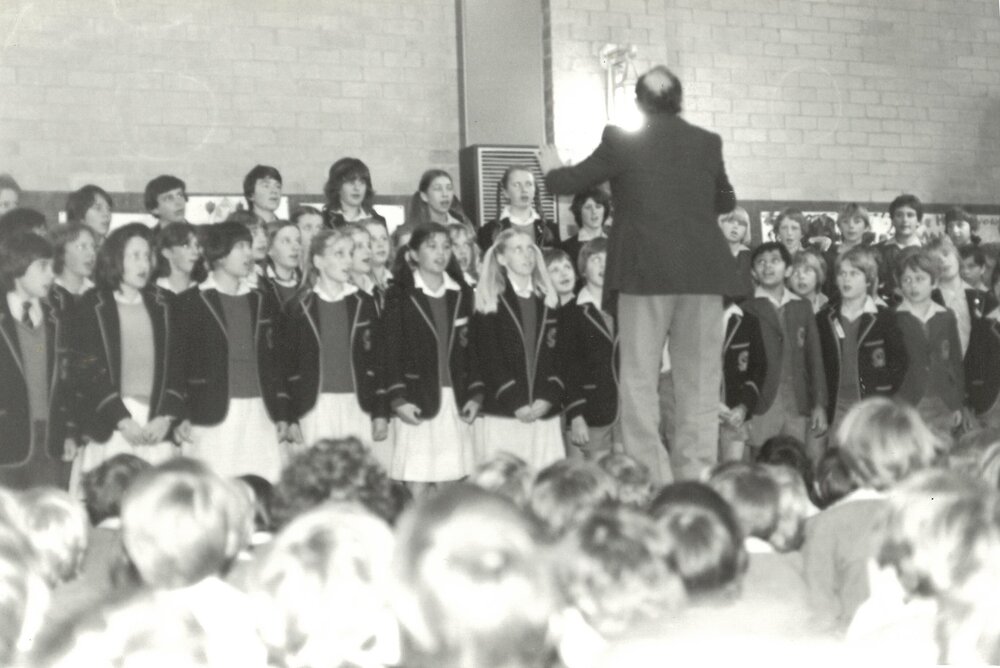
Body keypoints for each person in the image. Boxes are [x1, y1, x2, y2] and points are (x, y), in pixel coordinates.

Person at [540, 65, 739, 485]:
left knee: (638, 383)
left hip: (643, 274)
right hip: (703, 276)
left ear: (638, 102)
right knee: (700, 385)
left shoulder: (620, 141)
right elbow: (725, 201)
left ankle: (652, 479)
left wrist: (552, 164)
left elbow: (565, 182)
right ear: (680, 100)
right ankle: (696, 478)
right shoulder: (707, 142)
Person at [173, 221, 291, 482]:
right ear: (218, 253)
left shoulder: (262, 300)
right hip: (209, 412)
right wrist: (179, 413)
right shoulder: (189, 303)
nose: (248, 253)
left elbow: (276, 360)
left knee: (261, 485)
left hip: (260, 411)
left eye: (249, 246)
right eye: (240, 246)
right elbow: (176, 365)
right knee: (211, 487)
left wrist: (282, 411)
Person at [71, 224, 182, 491]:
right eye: (135, 256)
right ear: (116, 258)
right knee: (109, 502)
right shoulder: (92, 303)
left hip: (155, 423)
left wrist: (166, 417)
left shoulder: (165, 303)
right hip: (113, 423)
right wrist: (121, 419)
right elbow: (88, 370)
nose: (143, 263)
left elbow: (180, 366)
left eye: (147, 256)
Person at [384, 224, 481, 493]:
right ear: (413, 254)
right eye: (431, 246)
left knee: (451, 479)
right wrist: (398, 399)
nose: (441, 253)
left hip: (455, 398)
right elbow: (390, 352)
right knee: (415, 479)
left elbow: (471, 350)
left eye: (446, 246)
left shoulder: (461, 293)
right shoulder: (399, 294)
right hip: (416, 397)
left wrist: (475, 395)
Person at [283, 228, 389, 468]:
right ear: (318, 261)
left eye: (349, 253)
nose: (348, 260)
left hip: (357, 403)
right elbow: (286, 365)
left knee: (355, 475)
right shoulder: (298, 306)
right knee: (316, 476)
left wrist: (380, 411)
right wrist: (289, 416)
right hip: (313, 406)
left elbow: (378, 360)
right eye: (339, 254)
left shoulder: (363, 302)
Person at [474, 228, 565, 472]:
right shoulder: (490, 302)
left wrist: (548, 397)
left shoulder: (549, 301)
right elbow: (489, 359)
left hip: (543, 410)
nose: (526, 256)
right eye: (517, 249)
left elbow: (559, 356)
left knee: (544, 481)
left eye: (530, 250)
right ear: (502, 259)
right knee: (506, 483)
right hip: (505, 410)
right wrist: (516, 401)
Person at [0, 231, 72, 488]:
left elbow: (70, 380)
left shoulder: (58, 317)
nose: (51, 274)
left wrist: (71, 432)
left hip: (50, 440)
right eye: (42, 266)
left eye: (52, 266)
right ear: (17, 266)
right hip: (6, 441)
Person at [742, 242, 828, 454]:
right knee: (761, 463)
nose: (767, 267)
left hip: (797, 403)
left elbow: (814, 358)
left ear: (788, 270)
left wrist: (819, 404)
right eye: (761, 262)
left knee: (796, 461)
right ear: (753, 272)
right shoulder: (746, 309)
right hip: (761, 404)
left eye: (775, 261)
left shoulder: (802, 307)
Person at [816, 247, 907, 440]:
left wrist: (883, 390)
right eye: (842, 274)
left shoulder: (885, 317)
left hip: (871, 402)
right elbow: (816, 363)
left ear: (868, 280)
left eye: (854, 274)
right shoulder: (824, 317)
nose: (846, 279)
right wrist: (820, 403)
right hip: (836, 402)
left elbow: (899, 360)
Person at [893, 248, 964, 442]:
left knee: (943, 452)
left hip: (942, 400)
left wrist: (957, 403)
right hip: (907, 399)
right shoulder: (893, 317)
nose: (913, 285)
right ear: (899, 284)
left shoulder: (946, 316)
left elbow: (955, 361)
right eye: (907, 280)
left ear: (934, 282)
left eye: (920, 279)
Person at [562, 239, 621, 460]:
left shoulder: (625, 307)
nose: (603, 266)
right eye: (596, 260)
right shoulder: (571, 312)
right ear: (583, 269)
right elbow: (568, 368)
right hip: (593, 409)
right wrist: (576, 415)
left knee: (627, 477)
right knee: (597, 478)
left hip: (627, 410)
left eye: (609, 260)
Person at [476, 165, 559, 253]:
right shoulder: (488, 232)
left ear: (535, 190)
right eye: (516, 185)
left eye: (528, 184)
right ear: (506, 193)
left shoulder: (552, 230)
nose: (524, 190)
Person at [877, 194, 924, 303]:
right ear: (892, 220)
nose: (905, 220)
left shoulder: (928, 253)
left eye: (910, 215)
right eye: (899, 215)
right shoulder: (877, 251)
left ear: (919, 221)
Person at [321, 157, 387, 229]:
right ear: (337, 186)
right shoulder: (323, 220)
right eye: (351, 182)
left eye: (362, 183)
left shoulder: (378, 220)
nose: (357, 188)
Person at [558, 187, 611, 271]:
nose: (594, 211)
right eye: (588, 207)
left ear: (605, 211)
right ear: (579, 212)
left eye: (598, 206)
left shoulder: (615, 244)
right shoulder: (566, 248)